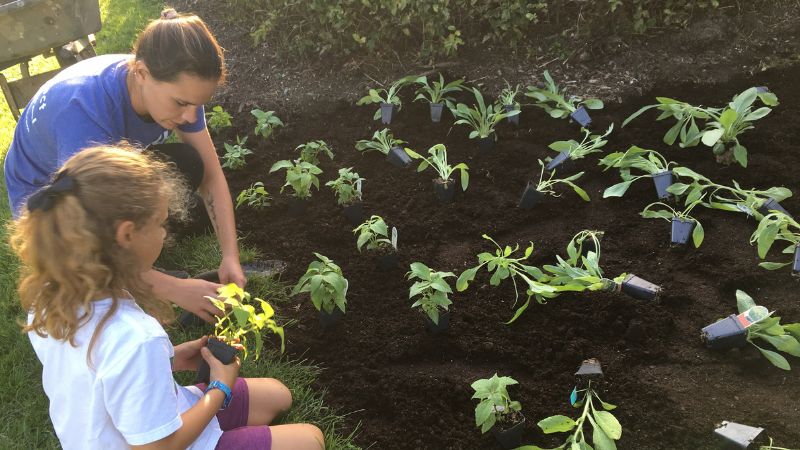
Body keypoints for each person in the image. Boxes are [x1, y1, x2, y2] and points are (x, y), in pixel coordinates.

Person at [10, 144, 324, 450]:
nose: (165, 233)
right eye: (161, 223)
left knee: (277, 395)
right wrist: (219, 388)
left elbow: (101, 370)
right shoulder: (136, 338)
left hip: (128, 423)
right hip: (163, 440)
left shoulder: (50, 300)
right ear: (127, 234)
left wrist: (170, 358)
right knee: (311, 439)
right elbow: (159, 445)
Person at [3, 8, 243, 322]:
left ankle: (144, 257)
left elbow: (211, 177)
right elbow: (89, 236)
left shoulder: (175, 89)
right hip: (52, 202)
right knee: (90, 263)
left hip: (102, 169)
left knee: (190, 164)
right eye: (181, 103)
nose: (189, 116)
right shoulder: (84, 115)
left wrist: (230, 257)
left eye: (197, 104)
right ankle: (141, 279)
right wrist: (175, 289)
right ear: (141, 73)